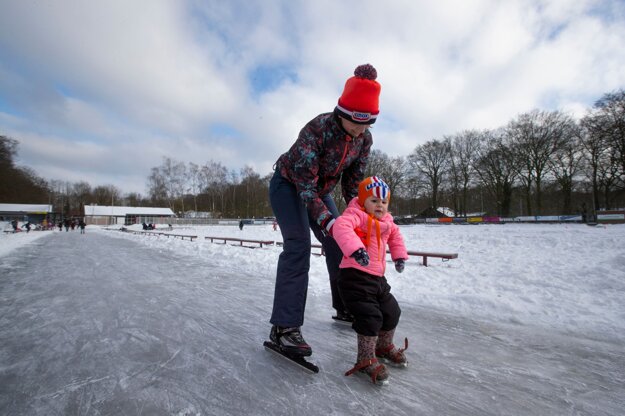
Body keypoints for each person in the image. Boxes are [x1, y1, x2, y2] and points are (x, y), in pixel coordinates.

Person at [268, 63, 381, 357]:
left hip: (320, 192)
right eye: (356, 122)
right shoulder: (316, 130)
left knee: (341, 242)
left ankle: (345, 305)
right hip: (288, 185)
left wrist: (363, 217)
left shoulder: (364, 140)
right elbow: (305, 187)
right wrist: (329, 221)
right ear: (343, 114)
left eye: (367, 124)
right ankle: (284, 327)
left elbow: (354, 184)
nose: (360, 130)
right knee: (298, 246)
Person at [333, 176, 409, 385]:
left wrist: (399, 256)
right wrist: (356, 249)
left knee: (392, 311)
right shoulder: (355, 215)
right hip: (354, 278)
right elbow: (341, 227)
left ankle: (383, 346)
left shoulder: (387, 222)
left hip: (377, 278)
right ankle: (365, 359)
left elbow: (396, 238)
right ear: (363, 201)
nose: (380, 206)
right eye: (374, 201)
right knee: (370, 317)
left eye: (384, 202)